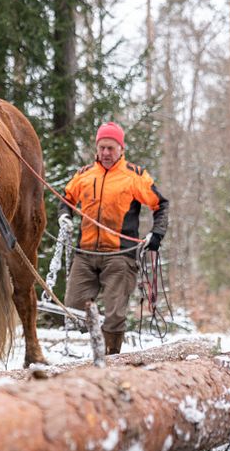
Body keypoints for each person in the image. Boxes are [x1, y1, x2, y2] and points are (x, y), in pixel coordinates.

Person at [58, 121, 169, 355]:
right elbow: (66, 199)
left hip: (120, 257)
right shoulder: (84, 175)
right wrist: (64, 217)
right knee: (73, 308)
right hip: (85, 255)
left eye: (111, 148)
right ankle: (89, 349)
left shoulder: (134, 176)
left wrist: (157, 233)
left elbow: (160, 204)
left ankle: (111, 358)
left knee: (115, 314)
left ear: (121, 148)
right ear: (96, 149)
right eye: (102, 148)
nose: (106, 153)